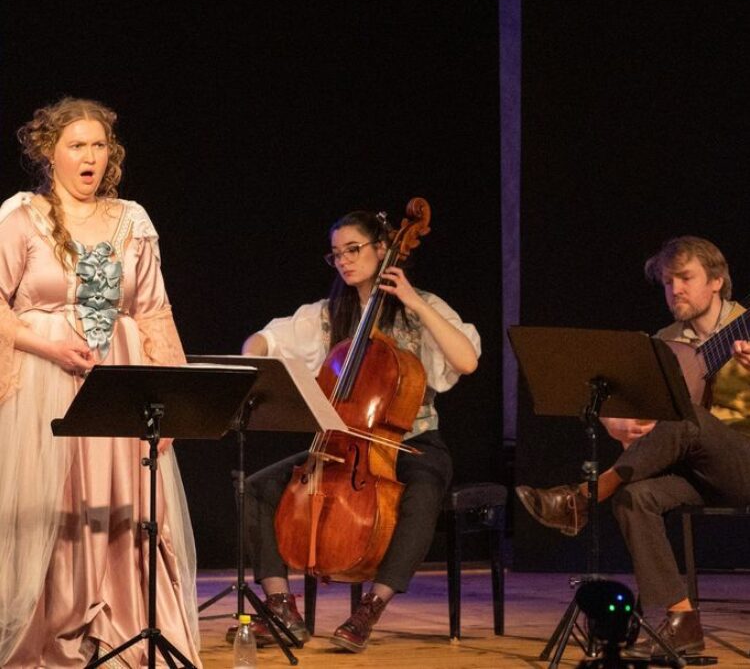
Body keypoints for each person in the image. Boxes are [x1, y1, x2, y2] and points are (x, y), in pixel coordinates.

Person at [0, 97, 202, 667]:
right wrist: (47, 344)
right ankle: (47, 631)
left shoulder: (132, 220)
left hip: (118, 379)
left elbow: (154, 311)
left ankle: (119, 622)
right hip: (45, 380)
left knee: (120, 500)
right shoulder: (22, 217)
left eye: (99, 145)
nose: (90, 157)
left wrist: (172, 401)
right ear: (49, 153)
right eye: (76, 146)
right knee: (55, 503)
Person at [240, 209, 480, 653]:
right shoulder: (328, 314)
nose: (344, 261)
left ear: (384, 248)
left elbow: (466, 361)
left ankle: (371, 606)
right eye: (336, 255)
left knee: (423, 492)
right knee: (254, 488)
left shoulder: (423, 307)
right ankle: (280, 607)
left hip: (414, 443)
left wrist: (414, 301)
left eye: (353, 250)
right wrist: (252, 359)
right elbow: (264, 340)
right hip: (344, 444)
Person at [516, 236, 750, 660]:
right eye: (668, 282)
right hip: (694, 472)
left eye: (685, 278)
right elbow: (623, 409)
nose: (675, 290)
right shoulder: (664, 344)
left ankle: (583, 498)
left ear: (717, 281)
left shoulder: (746, 327)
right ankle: (682, 623)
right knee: (633, 498)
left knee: (689, 419)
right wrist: (620, 423)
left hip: (743, 465)